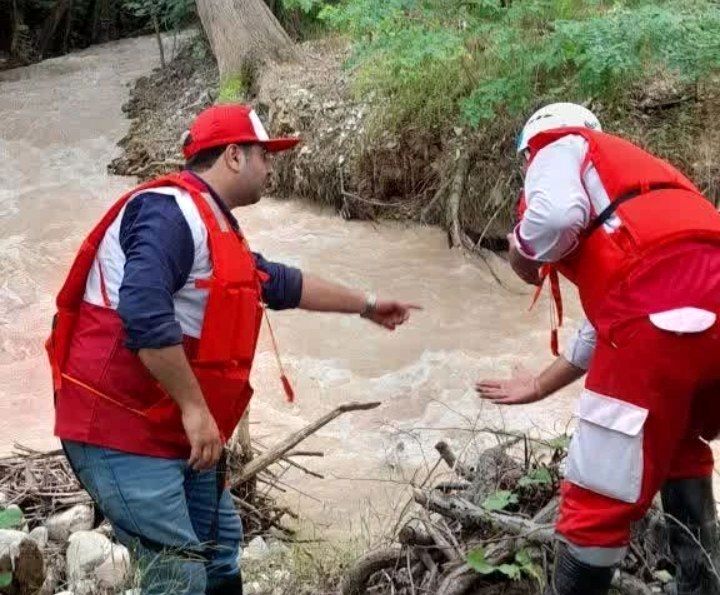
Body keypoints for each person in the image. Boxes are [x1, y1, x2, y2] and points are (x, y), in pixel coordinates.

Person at [46, 104, 420, 594]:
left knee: (221, 552)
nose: (272, 167)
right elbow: (142, 310)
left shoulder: (213, 224)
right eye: (264, 155)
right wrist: (196, 409)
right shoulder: (166, 212)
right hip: (120, 427)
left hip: (172, 427)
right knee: (178, 572)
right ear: (234, 157)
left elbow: (279, 283)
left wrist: (367, 305)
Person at [477, 102, 720, 595]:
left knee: (598, 492)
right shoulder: (642, 179)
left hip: (657, 315)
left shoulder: (558, 145)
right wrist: (542, 384)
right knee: (677, 443)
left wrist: (524, 254)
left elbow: (555, 218)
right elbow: (617, 317)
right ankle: (701, 585)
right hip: (698, 308)